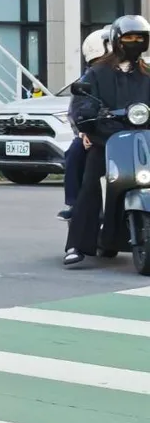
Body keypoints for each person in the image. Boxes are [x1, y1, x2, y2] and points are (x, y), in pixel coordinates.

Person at [64, 14, 150, 267]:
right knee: (91, 184)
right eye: (129, 37)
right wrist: (89, 125)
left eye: (140, 38)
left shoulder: (147, 74)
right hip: (107, 140)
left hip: (144, 139)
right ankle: (76, 245)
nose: (134, 42)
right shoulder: (96, 72)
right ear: (116, 40)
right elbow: (82, 104)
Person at [59, 27, 112, 221]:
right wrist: (83, 132)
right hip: (99, 133)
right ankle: (75, 203)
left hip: (133, 133)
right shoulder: (88, 79)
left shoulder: (134, 74)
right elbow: (76, 110)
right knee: (75, 151)